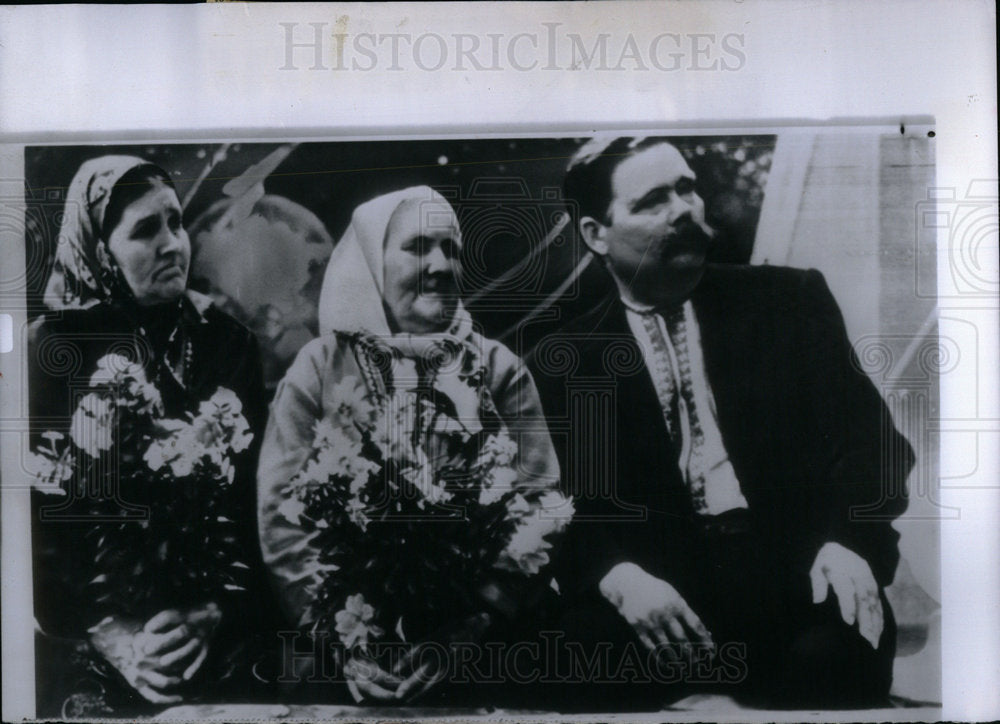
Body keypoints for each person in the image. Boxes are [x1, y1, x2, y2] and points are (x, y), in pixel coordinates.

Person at [527, 137, 913, 710]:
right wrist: (616, 576)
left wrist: (850, 542)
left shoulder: (787, 301)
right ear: (596, 235)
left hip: (795, 576)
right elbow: (561, 503)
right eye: (653, 200)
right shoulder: (564, 358)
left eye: (687, 188)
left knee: (827, 669)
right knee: (567, 664)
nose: (684, 209)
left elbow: (874, 445)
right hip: (665, 598)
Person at [257, 186, 562, 705]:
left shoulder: (498, 368)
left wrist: (474, 624)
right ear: (373, 261)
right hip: (342, 641)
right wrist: (342, 639)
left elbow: (542, 501)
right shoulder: (318, 367)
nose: (441, 265)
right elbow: (281, 520)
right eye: (418, 247)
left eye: (451, 249)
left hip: (478, 635)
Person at [29, 156, 274, 716]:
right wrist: (111, 635)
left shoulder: (226, 342)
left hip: (212, 630)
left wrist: (214, 611)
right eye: (145, 230)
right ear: (99, 248)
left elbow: (256, 503)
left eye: (177, 222)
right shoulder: (48, 350)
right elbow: (28, 522)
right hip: (87, 633)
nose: (173, 245)